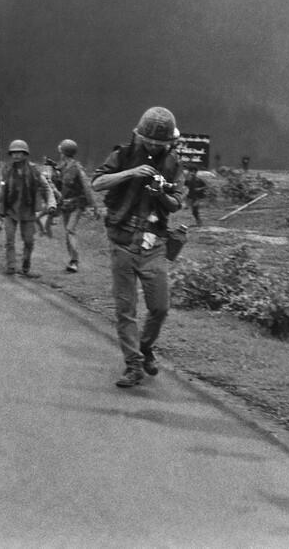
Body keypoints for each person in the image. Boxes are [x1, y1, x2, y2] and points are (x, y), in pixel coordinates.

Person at [92, 106, 185, 388]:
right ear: (139, 135)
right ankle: (133, 365)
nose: (155, 146)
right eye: (150, 141)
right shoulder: (121, 154)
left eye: (161, 143)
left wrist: (161, 194)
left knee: (160, 307)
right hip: (121, 240)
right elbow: (97, 182)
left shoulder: (173, 164)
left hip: (154, 243)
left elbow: (177, 202)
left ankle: (144, 347)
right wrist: (130, 173)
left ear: (169, 142)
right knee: (125, 307)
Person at [0, 139, 57, 278]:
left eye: (19, 153)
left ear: (25, 154)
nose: (16, 156)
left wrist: (51, 204)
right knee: (9, 240)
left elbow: (47, 188)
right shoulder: (6, 171)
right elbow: (2, 193)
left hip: (28, 211)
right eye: (14, 153)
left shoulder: (34, 171)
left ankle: (25, 267)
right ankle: (11, 266)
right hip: (10, 211)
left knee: (29, 240)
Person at [55, 139, 101, 272]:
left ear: (63, 153)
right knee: (68, 232)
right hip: (66, 205)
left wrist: (94, 206)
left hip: (77, 204)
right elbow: (58, 186)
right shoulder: (60, 167)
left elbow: (87, 187)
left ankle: (75, 260)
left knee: (70, 230)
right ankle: (72, 260)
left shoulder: (77, 168)